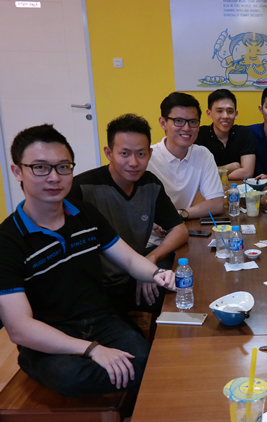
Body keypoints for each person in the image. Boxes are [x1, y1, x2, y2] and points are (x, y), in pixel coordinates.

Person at [0, 124, 176, 397]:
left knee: (144, 359)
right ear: (17, 171)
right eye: (40, 167)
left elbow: (129, 260)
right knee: (76, 377)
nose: (54, 177)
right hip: (48, 337)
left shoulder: (85, 213)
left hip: (102, 320)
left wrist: (156, 274)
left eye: (63, 167)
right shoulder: (7, 240)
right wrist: (93, 350)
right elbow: (19, 328)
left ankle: (136, 407)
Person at [68, 114, 188, 327]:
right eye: (124, 153)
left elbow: (179, 230)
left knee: (183, 295)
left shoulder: (150, 185)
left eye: (141, 154)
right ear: (109, 153)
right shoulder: (82, 189)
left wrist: (150, 260)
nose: (134, 162)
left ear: (150, 154)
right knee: (133, 341)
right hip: (97, 290)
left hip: (134, 275)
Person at [148, 92, 224, 222]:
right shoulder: (147, 157)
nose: (187, 128)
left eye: (193, 122)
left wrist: (179, 215)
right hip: (150, 232)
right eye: (179, 121)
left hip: (181, 227)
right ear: (163, 123)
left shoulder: (203, 154)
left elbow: (217, 204)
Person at [194, 89, 256, 180]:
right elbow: (197, 173)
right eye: (219, 111)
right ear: (209, 113)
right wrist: (229, 167)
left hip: (238, 188)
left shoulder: (244, 133)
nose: (225, 116)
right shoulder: (199, 134)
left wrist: (219, 175)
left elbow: (247, 172)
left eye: (230, 111)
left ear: (236, 114)